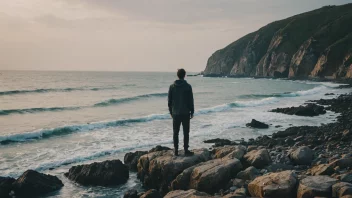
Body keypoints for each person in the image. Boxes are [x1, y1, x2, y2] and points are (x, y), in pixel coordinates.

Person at [168, 68, 194, 156]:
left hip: (175, 113)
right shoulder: (188, 86)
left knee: (176, 132)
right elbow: (191, 100)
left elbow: (169, 101)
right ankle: (186, 150)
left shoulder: (172, 87)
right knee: (186, 132)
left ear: (177, 75)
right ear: (184, 75)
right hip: (186, 113)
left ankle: (176, 150)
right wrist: (192, 111)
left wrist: (171, 112)